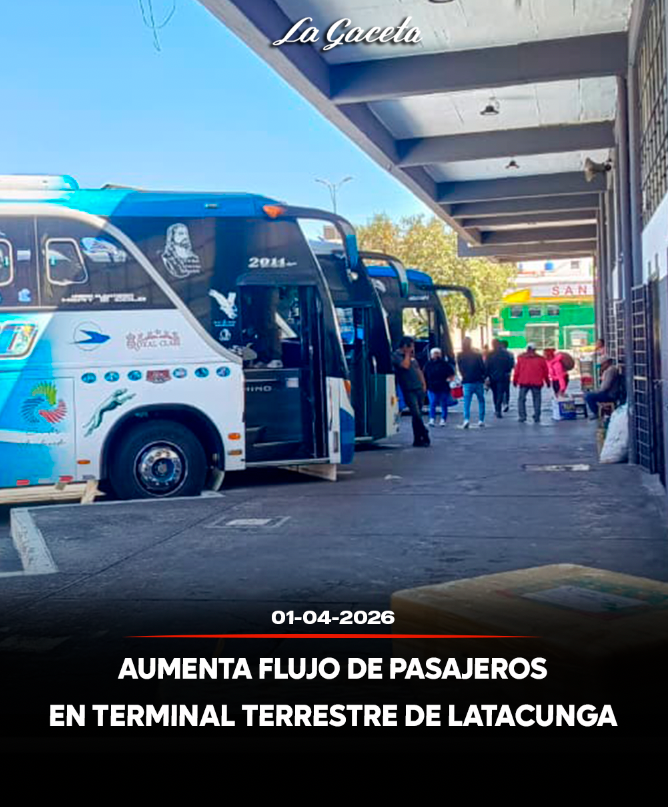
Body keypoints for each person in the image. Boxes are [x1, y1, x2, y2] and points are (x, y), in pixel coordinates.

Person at [392, 336, 430, 447]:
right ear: (405, 346)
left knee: (417, 416)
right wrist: (407, 354)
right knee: (416, 413)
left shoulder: (413, 358)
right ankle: (424, 432)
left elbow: (418, 370)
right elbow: (405, 366)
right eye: (411, 346)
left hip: (418, 388)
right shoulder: (396, 356)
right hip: (409, 389)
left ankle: (417, 439)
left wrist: (424, 384)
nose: (413, 348)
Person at [513, 343, 550, 423]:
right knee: (537, 399)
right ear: (535, 350)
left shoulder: (521, 358)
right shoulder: (541, 359)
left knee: (521, 399)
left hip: (524, 381)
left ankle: (522, 416)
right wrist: (547, 381)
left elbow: (517, 370)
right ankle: (537, 416)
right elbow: (545, 372)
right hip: (536, 382)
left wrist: (515, 380)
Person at [457, 336, 486, 429]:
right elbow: (482, 367)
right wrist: (483, 377)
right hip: (478, 380)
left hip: (467, 381)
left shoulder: (460, 355)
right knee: (481, 400)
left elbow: (460, 368)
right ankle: (481, 420)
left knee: (466, 402)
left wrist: (464, 375)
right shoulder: (477, 355)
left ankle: (466, 419)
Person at [424, 347, 455, 427]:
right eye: (435, 353)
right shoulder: (428, 365)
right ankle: (432, 419)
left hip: (442, 387)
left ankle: (442, 419)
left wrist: (450, 380)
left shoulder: (444, 364)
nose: (436, 355)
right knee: (433, 403)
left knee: (442, 404)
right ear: (431, 355)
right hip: (432, 387)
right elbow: (424, 375)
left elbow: (451, 375)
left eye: (437, 353)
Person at [485, 339, 515, 418]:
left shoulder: (490, 354)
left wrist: (486, 376)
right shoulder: (506, 354)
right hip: (503, 376)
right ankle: (498, 409)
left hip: (492, 377)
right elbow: (510, 365)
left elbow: (486, 366)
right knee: (500, 393)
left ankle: (496, 408)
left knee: (495, 393)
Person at [500, 340, 514, 412]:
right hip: (507, 373)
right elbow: (512, 364)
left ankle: (501, 403)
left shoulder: (498, 354)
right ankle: (506, 403)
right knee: (506, 389)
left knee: (499, 389)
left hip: (498, 374)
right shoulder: (510, 354)